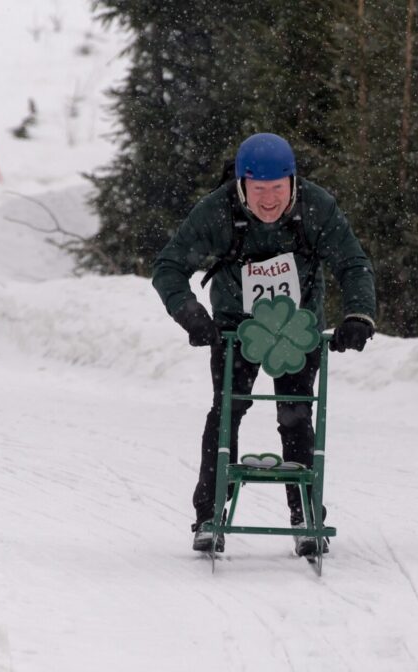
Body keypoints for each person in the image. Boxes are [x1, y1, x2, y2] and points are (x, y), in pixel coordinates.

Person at [152, 132, 377, 555]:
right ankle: (209, 513)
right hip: (237, 326)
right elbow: (167, 267)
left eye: (278, 189)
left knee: (296, 413)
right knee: (228, 410)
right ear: (241, 186)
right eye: (259, 191)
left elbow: (353, 263)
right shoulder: (216, 211)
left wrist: (358, 316)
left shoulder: (317, 207)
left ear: (293, 183)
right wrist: (191, 315)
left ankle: (306, 514)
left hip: (298, 324)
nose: (269, 201)